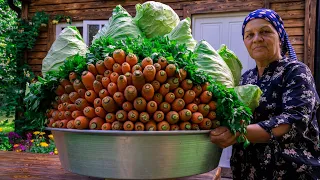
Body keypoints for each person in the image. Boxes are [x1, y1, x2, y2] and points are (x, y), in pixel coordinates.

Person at [210, 8, 320, 179]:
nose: (257, 39)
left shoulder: (296, 72)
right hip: (247, 173)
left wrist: (239, 132)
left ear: (280, 36)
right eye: (249, 35)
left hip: (290, 172)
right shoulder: (247, 78)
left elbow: (294, 121)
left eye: (265, 31)